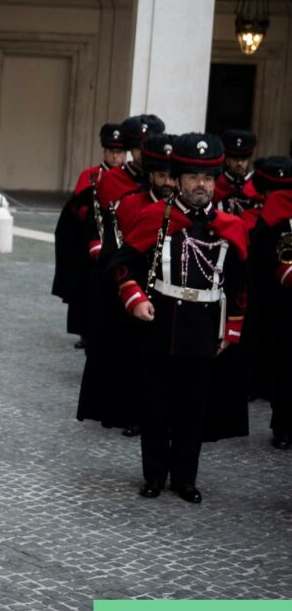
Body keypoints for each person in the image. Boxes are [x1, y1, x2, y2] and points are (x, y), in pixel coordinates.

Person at [110, 133, 248, 503]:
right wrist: (135, 299)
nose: (200, 185)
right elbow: (122, 266)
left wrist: (232, 328)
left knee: (193, 408)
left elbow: (239, 283)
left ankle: (185, 478)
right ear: (180, 180)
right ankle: (154, 475)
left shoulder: (229, 225)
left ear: (215, 181)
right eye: (192, 178)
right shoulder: (155, 217)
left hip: (203, 329)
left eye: (207, 179)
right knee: (156, 406)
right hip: (161, 324)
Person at [77, 133, 175, 436]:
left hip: (172, 299)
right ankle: (133, 414)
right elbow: (116, 254)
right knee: (133, 360)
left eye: (174, 176)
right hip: (133, 295)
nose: (169, 182)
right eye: (162, 175)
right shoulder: (132, 205)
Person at [52, 122, 126, 347]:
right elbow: (76, 209)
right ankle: (85, 332)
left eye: (120, 151)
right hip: (91, 242)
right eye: (112, 151)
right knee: (87, 289)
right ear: (104, 151)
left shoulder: (130, 177)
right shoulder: (91, 175)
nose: (116, 156)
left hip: (121, 239)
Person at [246, 157, 292, 448]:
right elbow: (273, 254)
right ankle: (284, 426)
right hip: (284, 300)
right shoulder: (280, 208)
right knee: (287, 365)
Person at [213, 129, 261, 216]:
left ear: (249, 160)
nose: (239, 163)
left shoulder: (257, 185)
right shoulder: (216, 183)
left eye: (244, 159)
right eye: (235, 159)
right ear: (227, 159)